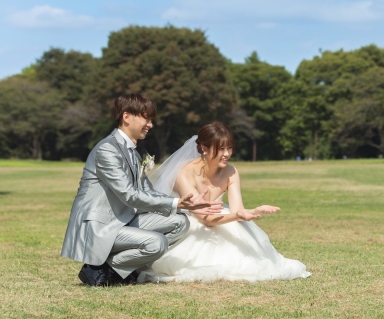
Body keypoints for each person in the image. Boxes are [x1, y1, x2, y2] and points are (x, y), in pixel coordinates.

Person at [61, 94, 222, 287]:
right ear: (126, 117)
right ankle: (98, 271)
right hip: (99, 225)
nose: (150, 125)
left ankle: (113, 269)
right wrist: (175, 202)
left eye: (151, 120)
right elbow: (128, 194)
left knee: (180, 222)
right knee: (157, 243)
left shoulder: (133, 153)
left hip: (122, 219)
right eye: (146, 119)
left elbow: (147, 191)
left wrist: (187, 205)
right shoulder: (107, 150)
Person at [137, 121, 311, 283]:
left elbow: (238, 209)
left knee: (249, 259)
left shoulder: (230, 172)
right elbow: (205, 219)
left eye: (229, 148)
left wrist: (253, 211)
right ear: (204, 148)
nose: (227, 154)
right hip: (189, 222)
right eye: (221, 149)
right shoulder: (185, 173)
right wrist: (236, 216)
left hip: (219, 217)